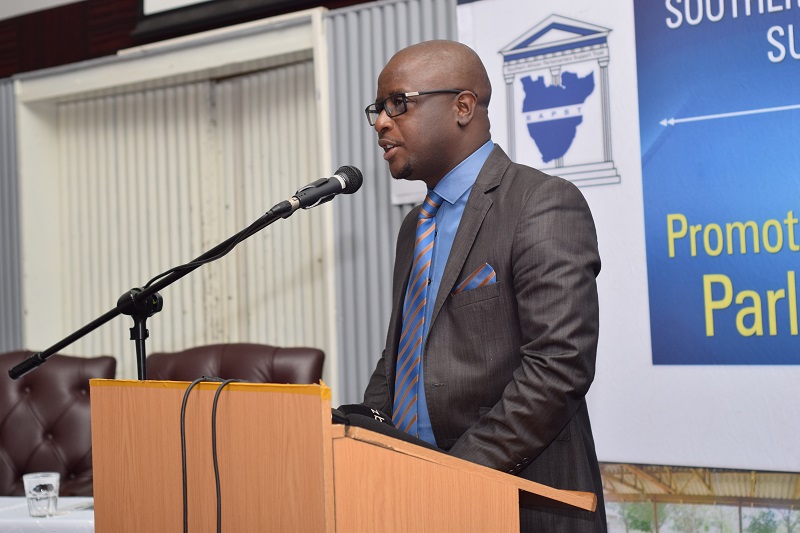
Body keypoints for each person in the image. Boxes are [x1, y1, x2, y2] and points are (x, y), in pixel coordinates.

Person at [360, 39, 606, 531]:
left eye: (399, 103)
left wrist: (452, 475)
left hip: (516, 503)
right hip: (414, 496)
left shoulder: (541, 203)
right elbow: (402, 356)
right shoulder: (415, 227)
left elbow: (558, 366)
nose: (382, 122)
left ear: (463, 107)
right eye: (379, 108)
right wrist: (364, 438)